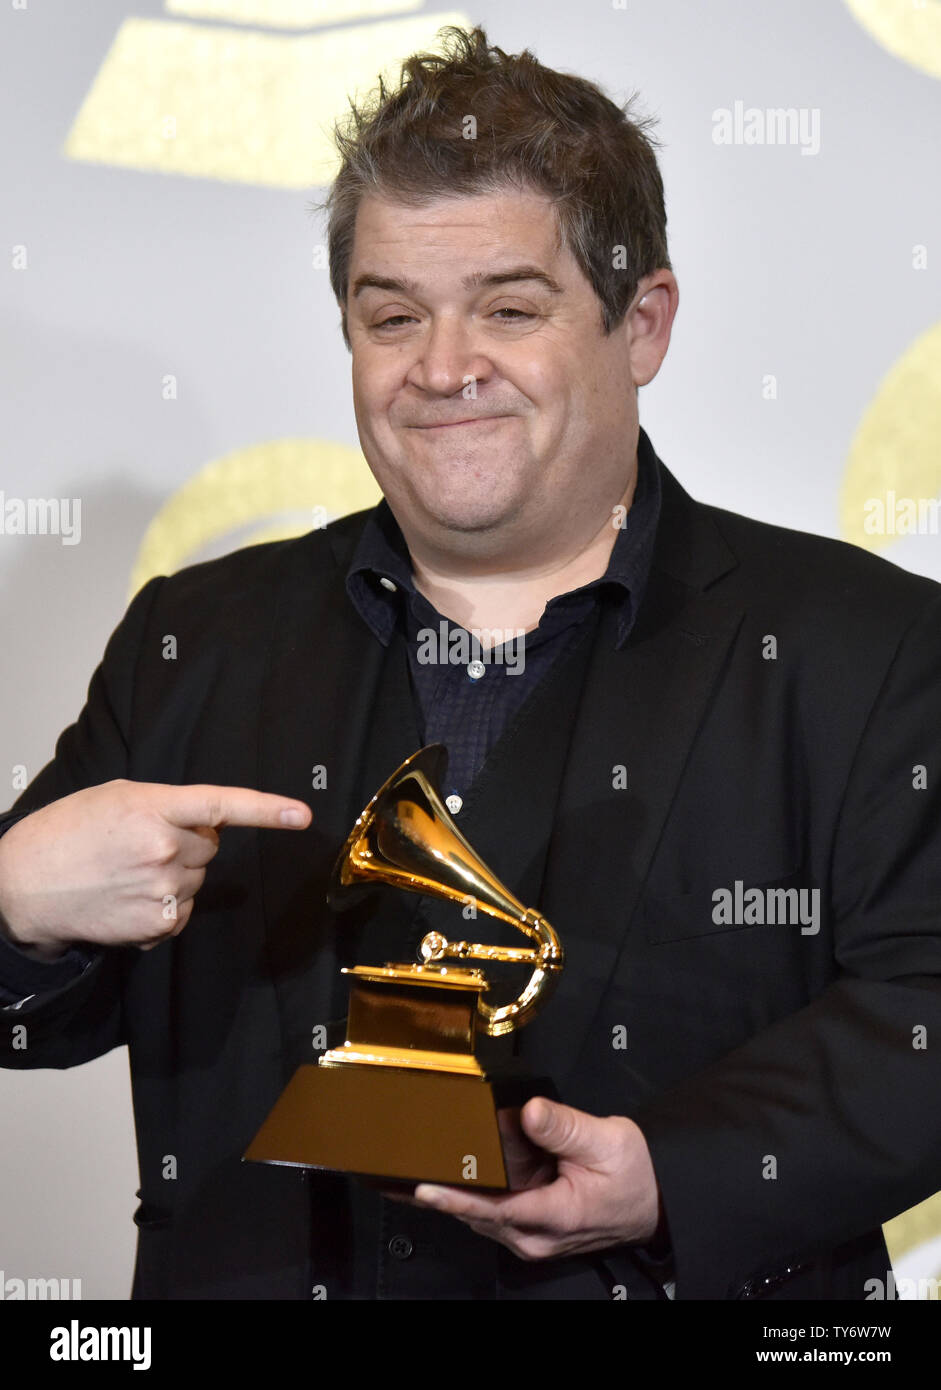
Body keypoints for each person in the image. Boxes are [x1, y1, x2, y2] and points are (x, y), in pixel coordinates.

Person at [1, 24, 939, 1302]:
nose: (443, 369)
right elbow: (32, 1012)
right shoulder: (195, 638)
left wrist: (682, 1172)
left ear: (642, 323)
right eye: (393, 315)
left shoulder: (865, 646)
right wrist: (10, 903)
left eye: (509, 307)